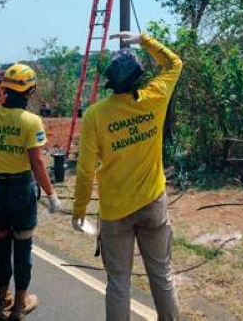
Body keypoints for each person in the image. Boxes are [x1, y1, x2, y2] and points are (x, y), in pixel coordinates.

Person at [72, 31, 183, 321]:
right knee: (162, 275)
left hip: (115, 211)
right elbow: (174, 63)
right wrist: (143, 40)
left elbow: (85, 171)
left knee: (118, 283)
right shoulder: (155, 97)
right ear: (139, 78)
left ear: (111, 82)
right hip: (152, 204)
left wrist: (79, 211)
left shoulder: (96, 115)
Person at [0, 63, 62, 321]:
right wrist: (51, 194)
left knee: (1, 245)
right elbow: (37, 162)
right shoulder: (31, 121)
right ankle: (19, 306)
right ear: (30, 91)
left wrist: (3, 92)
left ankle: (3, 305)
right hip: (21, 190)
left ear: (4, 87)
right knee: (23, 247)